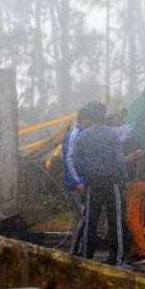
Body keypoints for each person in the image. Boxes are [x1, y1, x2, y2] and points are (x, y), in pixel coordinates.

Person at [73, 101, 128, 266]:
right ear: (104, 116)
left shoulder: (83, 136)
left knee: (91, 220)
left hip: (92, 183)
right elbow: (119, 160)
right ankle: (116, 258)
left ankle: (86, 256)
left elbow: (77, 162)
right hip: (112, 183)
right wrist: (122, 179)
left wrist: (86, 176)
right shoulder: (112, 135)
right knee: (116, 221)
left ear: (90, 116)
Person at [122, 115, 145, 264]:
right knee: (139, 218)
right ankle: (138, 250)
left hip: (134, 183)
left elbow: (124, 160)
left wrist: (129, 157)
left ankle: (143, 253)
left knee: (131, 220)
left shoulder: (129, 139)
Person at [62, 105, 89, 255]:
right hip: (75, 185)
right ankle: (74, 251)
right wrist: (77, 181)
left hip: (82, 182)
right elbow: (69, 158)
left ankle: (80, 250)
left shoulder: (83, 133)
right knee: (83, 216)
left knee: (82, 217)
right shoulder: (74, 134)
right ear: (83, 118)